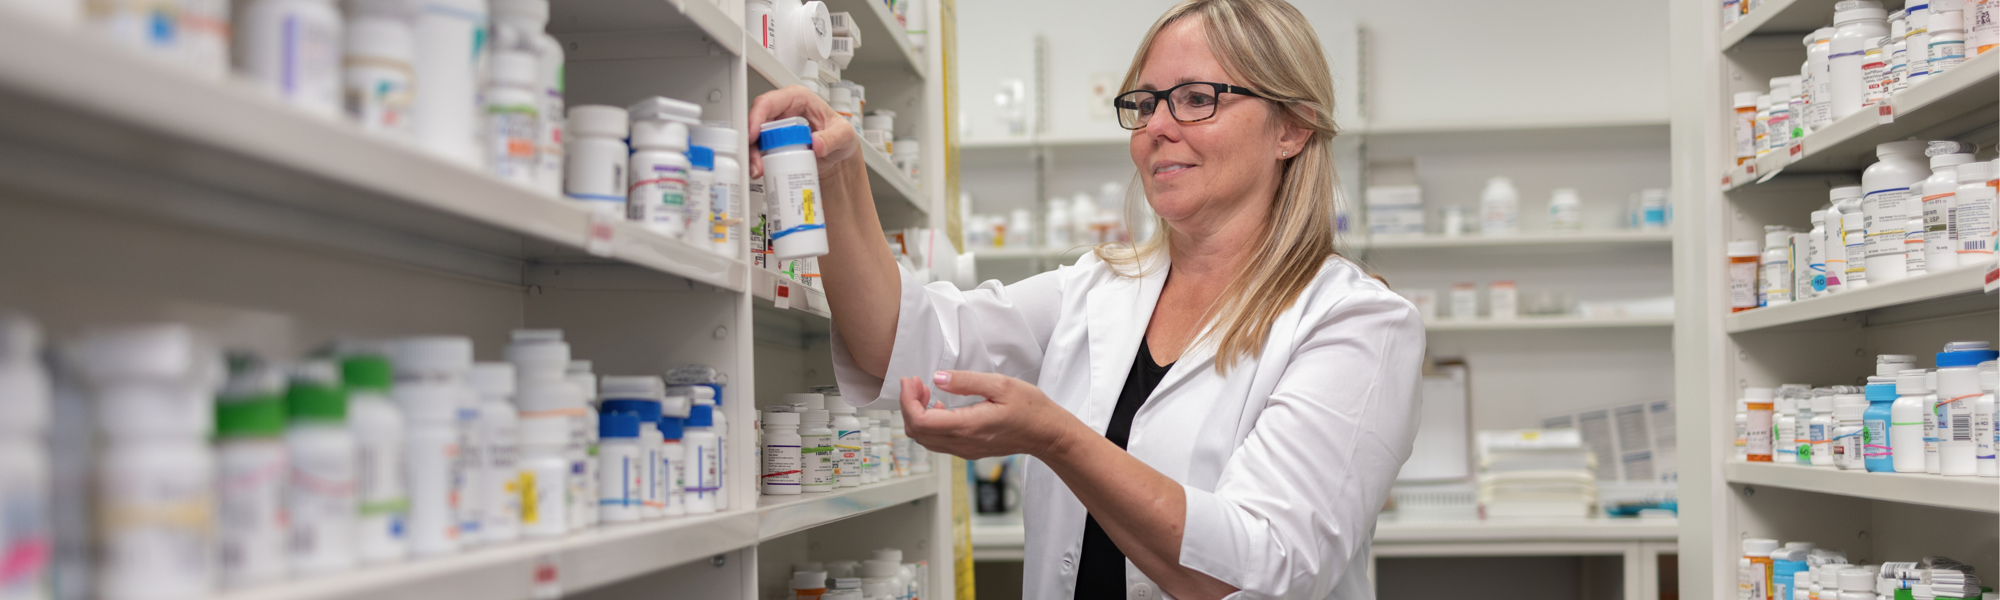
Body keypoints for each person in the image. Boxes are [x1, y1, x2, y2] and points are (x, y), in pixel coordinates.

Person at [747, 0, 1423, 597]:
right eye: (1146, 103)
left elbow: (1260, 564)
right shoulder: (1097, 289)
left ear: (1293, 127)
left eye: (1195, 99)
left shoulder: (1357, 323)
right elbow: (899, 340)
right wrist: (837, 173)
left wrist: (1054, 436)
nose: (1157, 126)